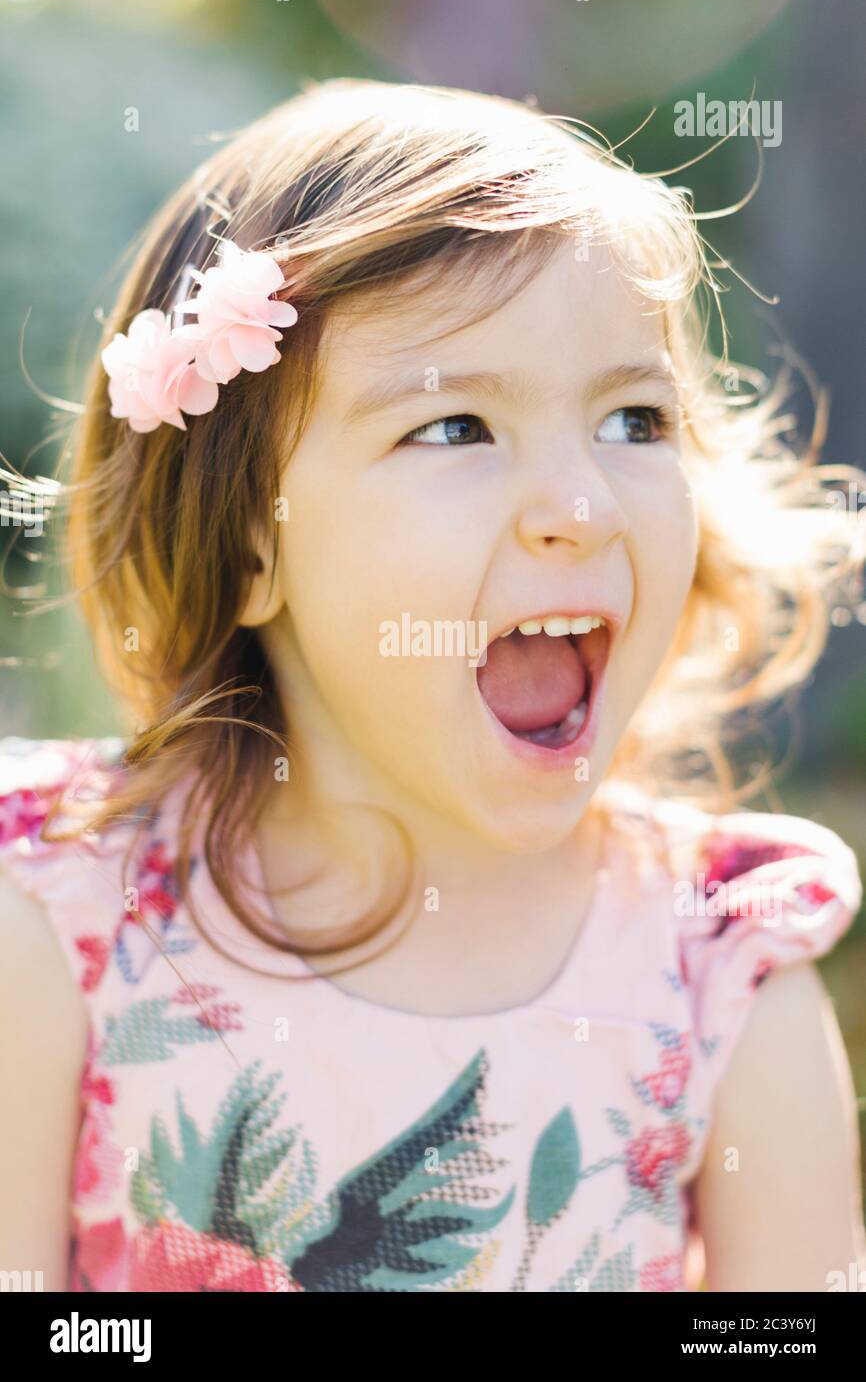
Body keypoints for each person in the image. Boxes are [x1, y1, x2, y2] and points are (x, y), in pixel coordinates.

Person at [1, 79, 864, 1293]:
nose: (578, 507)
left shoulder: (721, 978)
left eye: (632, 417)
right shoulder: (60, 922)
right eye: (456, 427)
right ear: (253, 541)